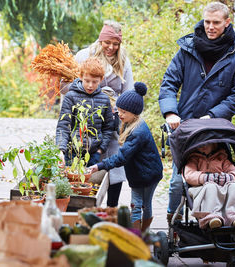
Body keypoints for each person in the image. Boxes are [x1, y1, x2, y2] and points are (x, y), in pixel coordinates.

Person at [158, 2, 235, 225]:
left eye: (216, 22)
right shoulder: (187, 50)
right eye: (207, 21)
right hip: (185, 129)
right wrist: (170, 112)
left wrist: (212, 116)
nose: (210, 27)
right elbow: (169, 84)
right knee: (178, 183)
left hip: (216, 130)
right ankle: (174, 222)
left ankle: (224, 221)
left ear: (227, 23)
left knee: (221, 181)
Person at [62, 20, 134, 207]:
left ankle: (110, 208)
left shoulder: (123, 61)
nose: (111, 47)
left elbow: (129, 92)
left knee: (114, 164)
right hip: (85, 121)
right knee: (83, 164)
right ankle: (82, 204)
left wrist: (119, 108)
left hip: (113, 121)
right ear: (100, 39)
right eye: (107, 42)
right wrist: (87, 92)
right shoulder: (84, 56)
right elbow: (65, 87)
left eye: (115, 44)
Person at [89, 82, 163, 232]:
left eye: (123, 112)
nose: (119, 114)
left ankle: (139, 235)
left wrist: (99, 166)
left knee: (141, 205)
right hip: (142, 172)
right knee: (139, 205)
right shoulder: (131, 124)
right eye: (118, 110)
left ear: (134, 113)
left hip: (147, 175)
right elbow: (117, 126)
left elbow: (121, 158)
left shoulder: (137, 132)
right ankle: (140, 236)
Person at [183, 143, 235, 233]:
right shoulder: (194, 159)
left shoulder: (221, 158)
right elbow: (189, 175)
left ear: (214, 144)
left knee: (233, 185)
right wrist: (204, 178)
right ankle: (212, 217)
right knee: (211, 187)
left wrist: (229, 177)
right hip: (201, 189)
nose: (203, 146)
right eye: (199, 145)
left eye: (206, 144)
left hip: (222, 188)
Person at [56, 57, 114, 167]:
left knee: (89, 182)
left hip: (93, 154)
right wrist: (61, 150)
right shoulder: (71, 96)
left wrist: (100, 150)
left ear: (101, 79)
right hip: (72, 152)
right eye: (87, 81)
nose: (90, 85)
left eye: (95, 82)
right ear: (81, 77)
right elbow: (63, 125)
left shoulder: (104, 99)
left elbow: (108, 127)